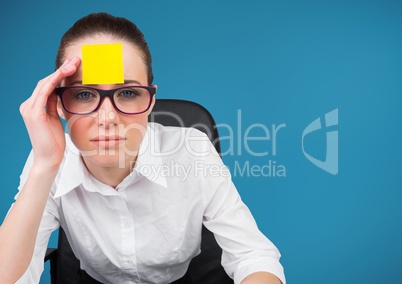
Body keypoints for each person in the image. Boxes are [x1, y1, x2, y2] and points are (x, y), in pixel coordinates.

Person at [0, 12, 285, 284]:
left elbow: (254, 255)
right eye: (84, 94)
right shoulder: (48, 163)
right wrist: (44, 167)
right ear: (60, 103)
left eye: (127, 93)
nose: (108, 118)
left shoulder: (192, 150)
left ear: (150, 100)